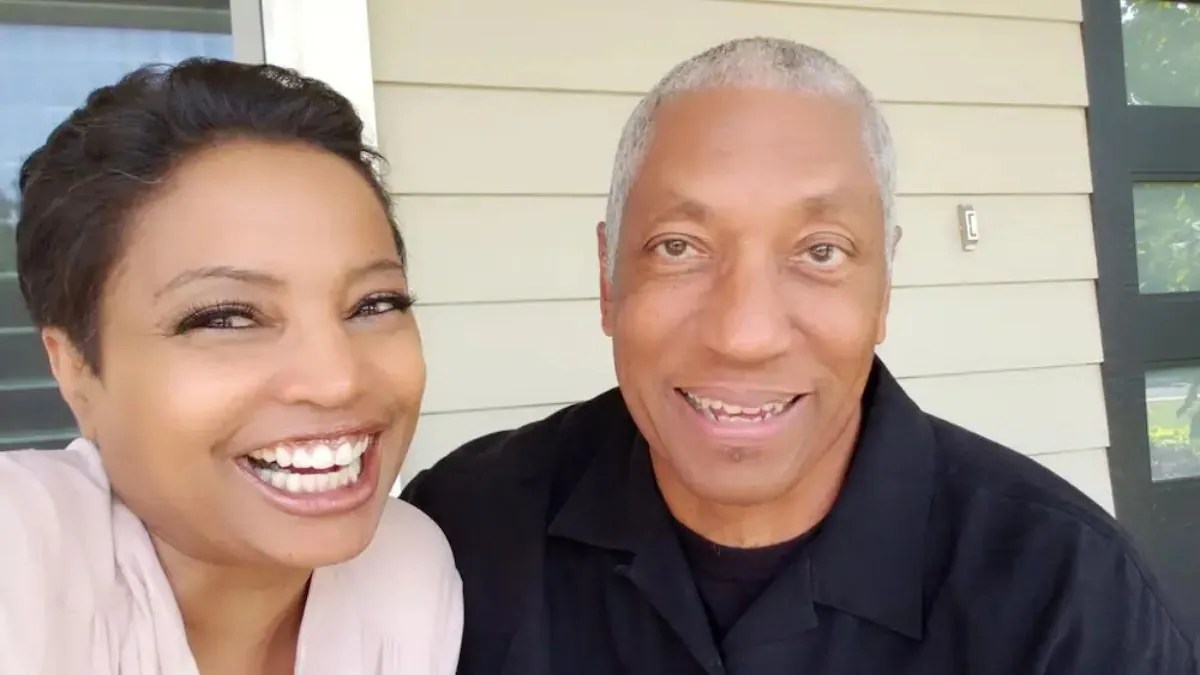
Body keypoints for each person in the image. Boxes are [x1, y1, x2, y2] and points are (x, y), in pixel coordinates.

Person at [402, 37, 1199, 674]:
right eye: (678, 246)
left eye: (821, 251)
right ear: (608, 279)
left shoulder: (1065, 597)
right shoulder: (467, 534)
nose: (744, 333)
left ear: (883, 289)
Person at [1, 58, 462, 674]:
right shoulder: (21, 554)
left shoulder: (406, 572)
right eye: (225, 318)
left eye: (375, 303)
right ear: (75, 369)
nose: (337, 380)